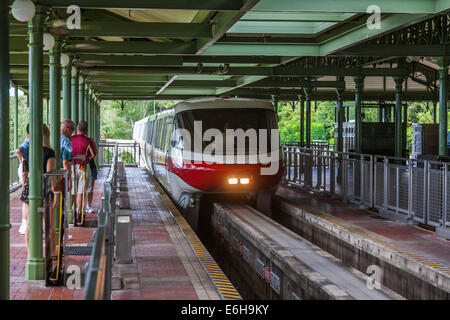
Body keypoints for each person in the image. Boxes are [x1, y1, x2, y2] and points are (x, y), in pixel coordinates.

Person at [20, 124, 57, 257]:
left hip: (30, 187)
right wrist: (56, 195)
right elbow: (50, 176)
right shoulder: (49, 153)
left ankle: (31, 254)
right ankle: (52, 253)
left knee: (30, 223)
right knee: (49, 224)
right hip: (45, 188)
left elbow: (25, 173)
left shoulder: (26, 151)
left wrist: (25, 187)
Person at [71, 121, 97, 223]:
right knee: (81, 190)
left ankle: (70, 210)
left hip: (71, 165)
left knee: (72, 189)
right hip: (83, 164)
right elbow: (93, 155)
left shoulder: (71, 139)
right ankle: (79, 212)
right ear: (86, 130)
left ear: (77, 129)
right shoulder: (88, 141)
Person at [86, 137, 97, 213]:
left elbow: (94, 154)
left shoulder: (89, 140)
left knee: (90, 187)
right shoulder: (75, 140)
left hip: (91, 165)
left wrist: (93, 143)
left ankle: (88, 205)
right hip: (84, 165)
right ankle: (80, 207)